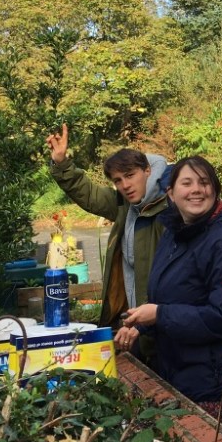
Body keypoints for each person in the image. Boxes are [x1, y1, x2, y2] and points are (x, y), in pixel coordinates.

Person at [123, 155, 222, 442]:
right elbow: (172, 295)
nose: (196, 189)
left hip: (218, 387)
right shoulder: (174, 233)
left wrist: (159, 315)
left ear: (215, 190)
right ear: (171, 194)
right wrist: (141, 325)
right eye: (186, 183)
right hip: (183, 374)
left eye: (204, 182)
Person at [46, 123, 169, 355]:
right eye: (118, 180)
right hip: (133, 321)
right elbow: (89, 194)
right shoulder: (123, 205)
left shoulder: (168, 209)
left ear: (147, 171)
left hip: (162, 322)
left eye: (130, 176)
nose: (125, 185)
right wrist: (62, 163)